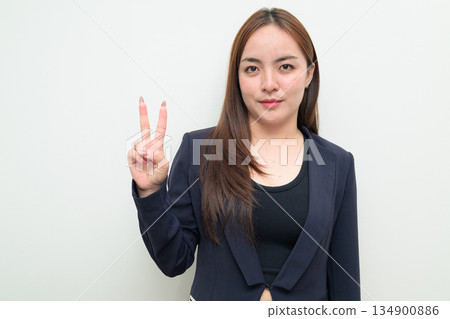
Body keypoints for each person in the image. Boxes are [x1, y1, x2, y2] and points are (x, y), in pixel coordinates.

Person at [127, 7, 360, 301]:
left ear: (309, 74)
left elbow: (345, 280)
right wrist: (151, 192)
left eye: (285, 67)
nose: (269, 83)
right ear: (237, 77)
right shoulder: (202, 151)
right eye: (252, 68)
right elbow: (174, 261)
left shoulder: (338, 163)